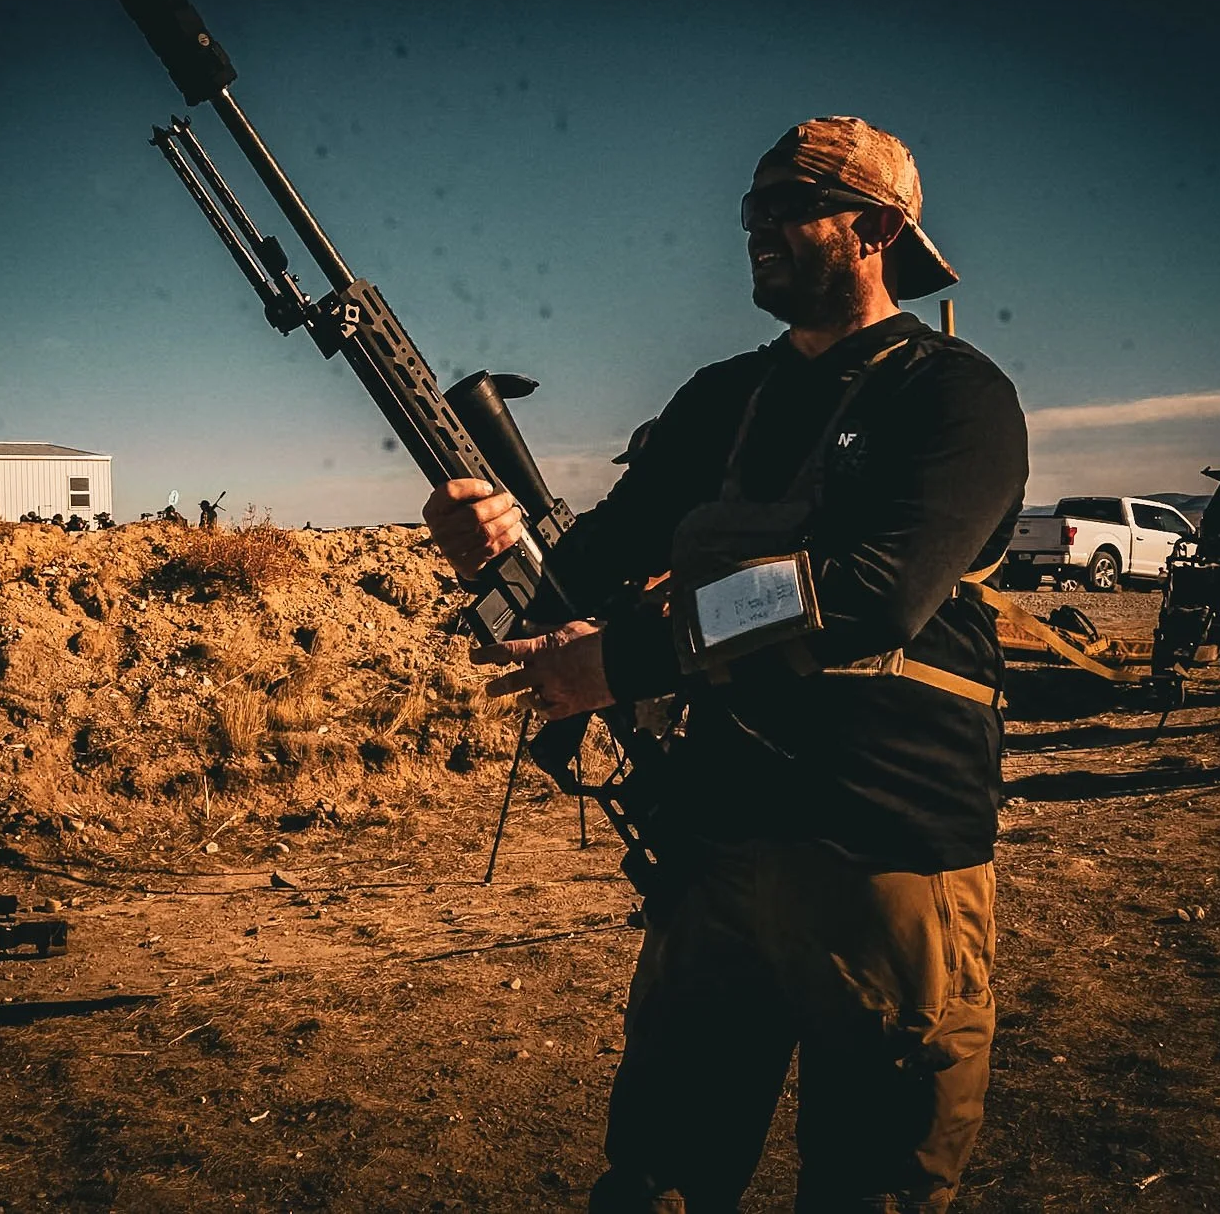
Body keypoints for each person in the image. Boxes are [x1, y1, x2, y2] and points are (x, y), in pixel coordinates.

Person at [423, 116, 1026, 1212]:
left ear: (878, 228)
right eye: (751, 208)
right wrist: (494, 554)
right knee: (658, 1176)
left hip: (881, 851)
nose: (757, 228)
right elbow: (590, 574)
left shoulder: (952, 396)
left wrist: (627, 659)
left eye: (792, 206)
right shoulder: (716, 401)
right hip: (713, 848)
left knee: (872, 1186)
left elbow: (867, 593)